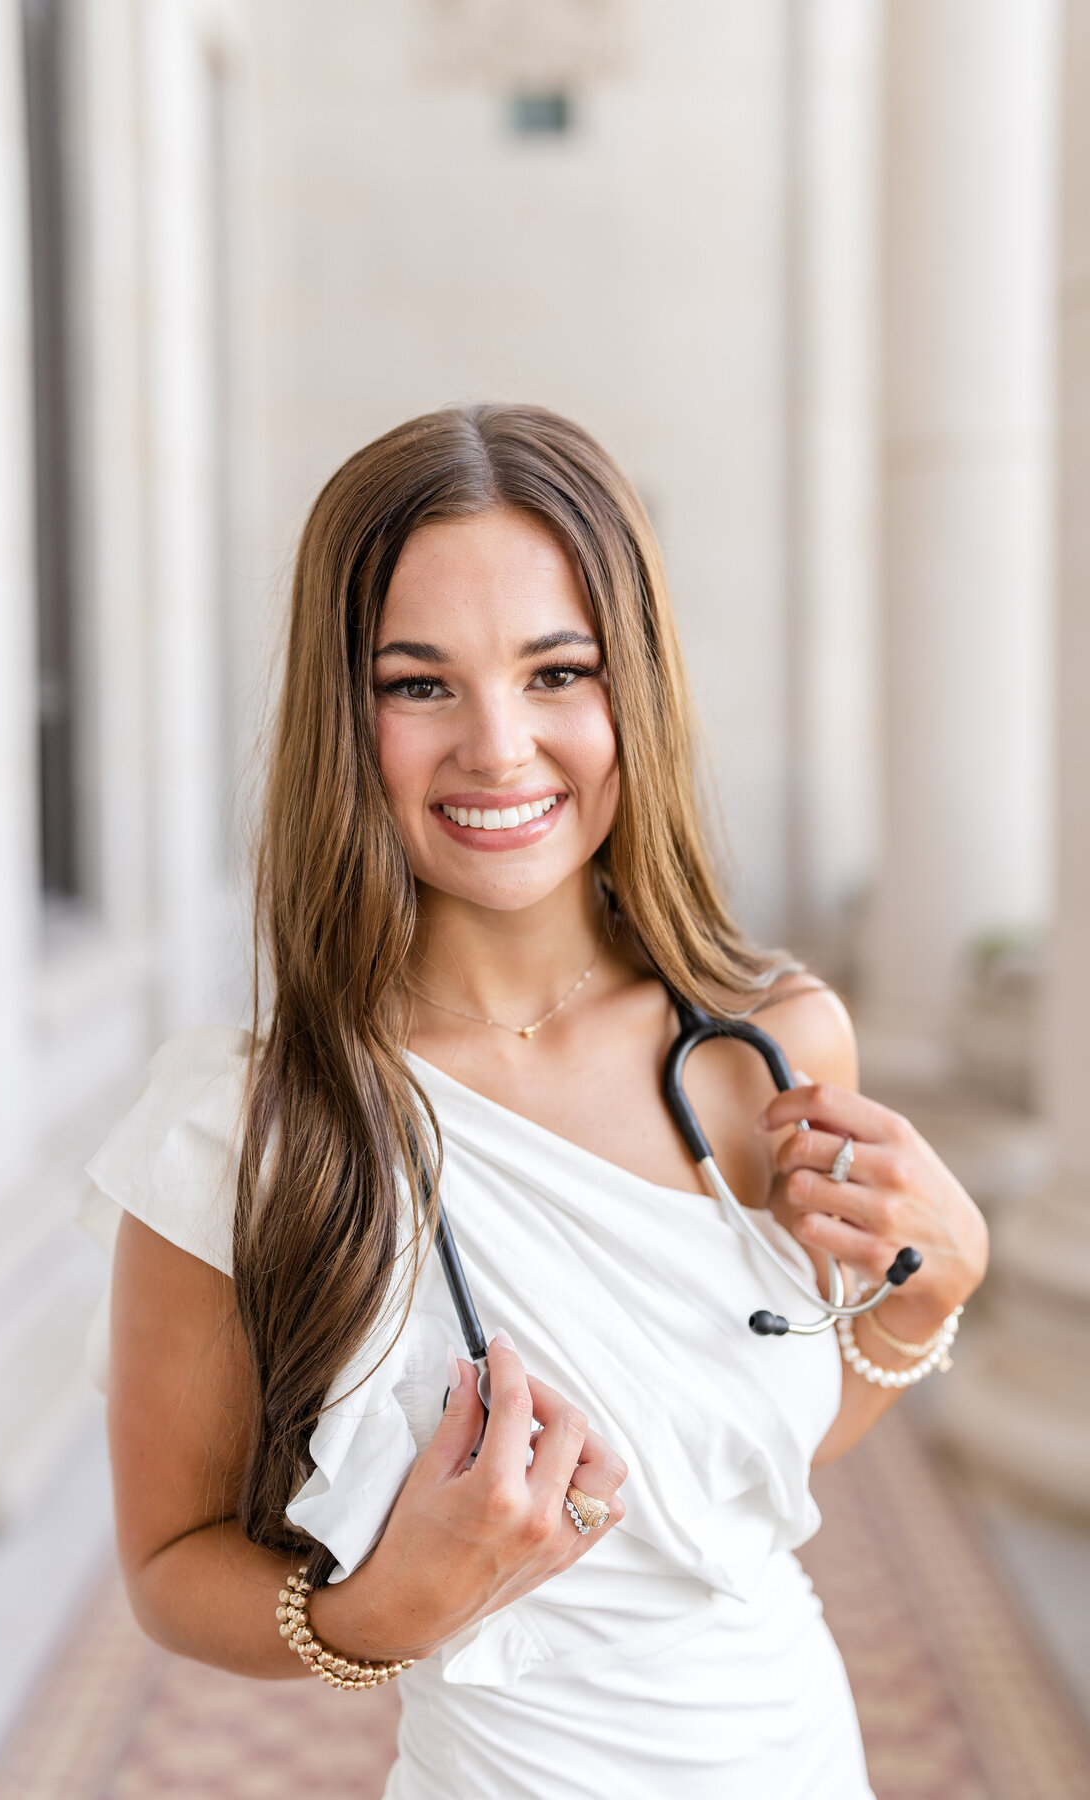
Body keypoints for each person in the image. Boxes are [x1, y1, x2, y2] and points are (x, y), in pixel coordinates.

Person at [82, 404, 988, 1798]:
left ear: (639, 688)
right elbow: (167, 1566)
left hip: (794, 1751)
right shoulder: (246, 1128)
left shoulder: (776, 1045)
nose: (500, 747)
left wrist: (918, 1308)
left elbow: (732, 1488)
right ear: (345, 712)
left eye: (558, 672)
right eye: (418, 683)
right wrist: (374, 1615)